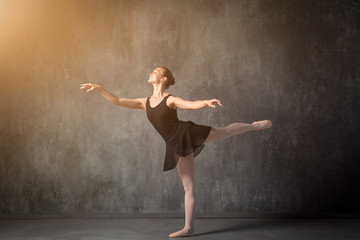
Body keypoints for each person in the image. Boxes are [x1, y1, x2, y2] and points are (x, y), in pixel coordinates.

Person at [80, 66, 272, 238]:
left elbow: (189, 104)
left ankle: (253, 126)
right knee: (188, 187)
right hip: (174, 144)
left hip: (186, 132)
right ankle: (189, 228)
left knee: (224, 131)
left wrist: (205, 102)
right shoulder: (144, 102)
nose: (150, 73)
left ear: (164, 79)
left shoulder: (170, 99)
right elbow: (118, 100)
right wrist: (100, 89)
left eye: (155, 71)